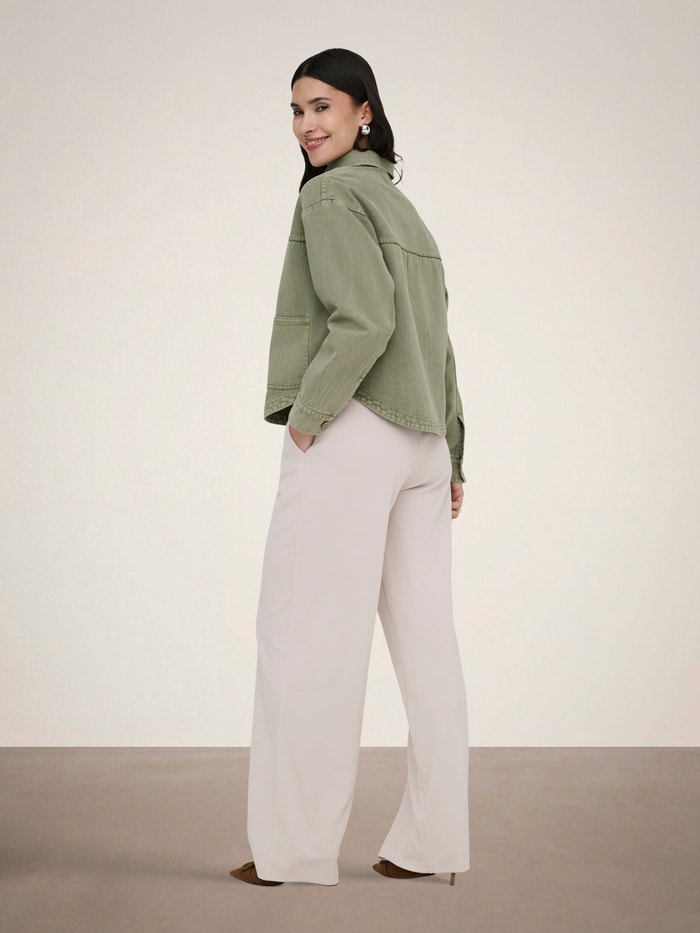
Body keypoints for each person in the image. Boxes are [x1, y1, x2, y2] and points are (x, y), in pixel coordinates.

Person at [230, 48, 469, 888]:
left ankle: (295, 852)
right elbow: (437, 339)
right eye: (297, 111)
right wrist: (453, 451)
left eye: (323, 106)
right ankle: (433, 844)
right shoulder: (403, 209)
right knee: (428, 644)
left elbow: (364, 321)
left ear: (365, 111)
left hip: (355, 431)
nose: (307, 125)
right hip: (422, 443)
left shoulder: (331, 196)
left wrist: (307, 415)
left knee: (306, 640)